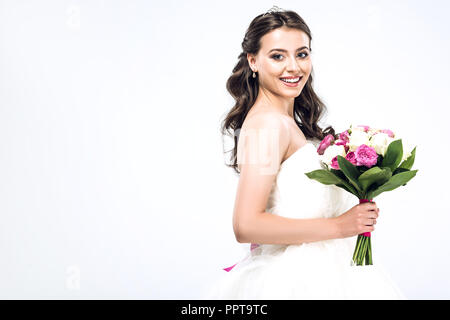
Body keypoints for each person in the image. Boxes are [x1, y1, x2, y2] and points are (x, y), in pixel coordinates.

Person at [204, 6, 406, 299]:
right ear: (253, 61)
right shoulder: (266, 125)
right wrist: (340, 226)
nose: (294, 67)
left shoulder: (288, 124)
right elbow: (246, 225)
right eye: (277, 56)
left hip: (327, 273)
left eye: (301, 53)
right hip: (297, 281)